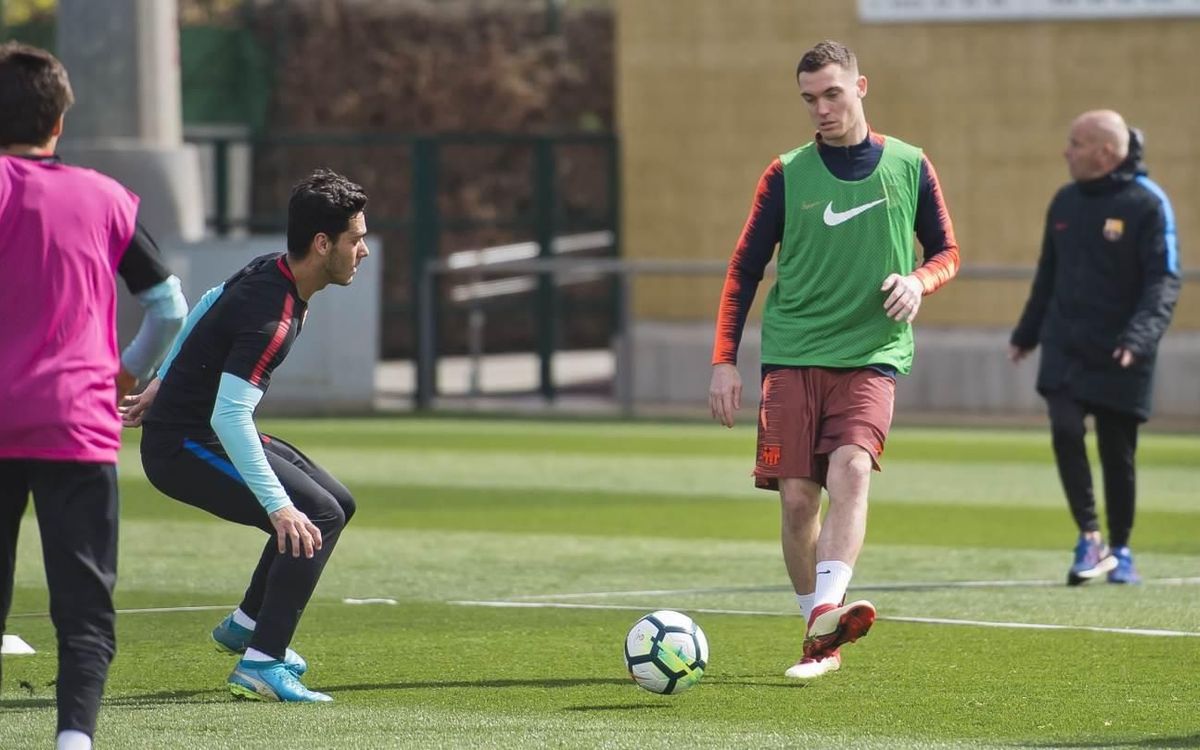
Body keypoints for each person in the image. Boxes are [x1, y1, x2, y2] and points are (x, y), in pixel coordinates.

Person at [708, 40, 960, 681]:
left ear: (861, 87)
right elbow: (743, 269)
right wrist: (724, 361)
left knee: (852, 469)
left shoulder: (909, 164)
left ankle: (825, 622)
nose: (820, 108)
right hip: (792, 354)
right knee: (797, 501)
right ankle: (819, 628)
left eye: (831, 94)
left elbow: (948, 251)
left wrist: (918, 282)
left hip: (872, 353)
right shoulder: (786, 173)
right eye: (809, 99)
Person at [0, 43, 188, 750]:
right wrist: (124, 377)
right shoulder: (104, 196)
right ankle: (74, 738)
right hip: (75, 422)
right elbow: (168, 306)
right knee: (83, 603)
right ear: (59, 123)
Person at [120, 168, 369, 703]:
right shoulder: (271, 319)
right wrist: (278, 507)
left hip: (198, 429)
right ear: (322, 244)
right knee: (313, 516)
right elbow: (228, 418)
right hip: (182, 448)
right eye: (356, 239)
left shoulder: (272, 269)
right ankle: (261, 663)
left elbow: (208, 299)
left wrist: (161, 379)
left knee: (337, 504)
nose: (363, 251)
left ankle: (245, 624)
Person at [1009, 110, 1180, 586]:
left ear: (1106, 152)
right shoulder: (1064, 202)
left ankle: (1121, 547)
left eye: (1076, 143)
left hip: (1123, 349)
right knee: (1065, 430)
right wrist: (1027, 334)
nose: (1067, 151)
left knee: (1117, 450)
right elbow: (1048, 274)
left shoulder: (1148, 204)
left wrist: (1139, 338)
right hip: (1066, 346)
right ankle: (1089, 537)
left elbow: (1163, 281)